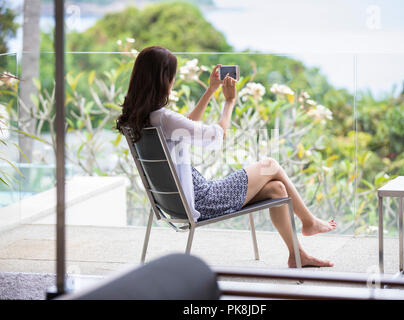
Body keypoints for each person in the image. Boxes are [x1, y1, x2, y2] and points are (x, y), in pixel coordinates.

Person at [116, 46, 337, 268]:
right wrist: (229, 101)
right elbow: (216, 136)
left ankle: (297, 255)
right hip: (204, 201)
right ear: (164, 79)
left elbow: (186, 125)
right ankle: (309, 221)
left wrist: (210, 91)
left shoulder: (140, 118)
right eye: (172, 76)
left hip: (175, 204)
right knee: (270, 165)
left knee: (277, 189)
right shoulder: (164, 118)